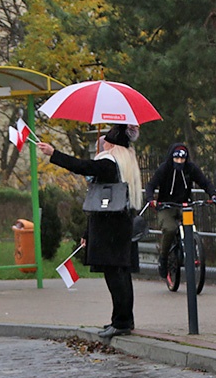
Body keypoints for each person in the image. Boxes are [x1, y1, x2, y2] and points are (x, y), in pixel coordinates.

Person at [38, 124, 143, 338]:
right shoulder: (124, 164)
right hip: (119, 223)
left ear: (113, 144)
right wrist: (87, 233)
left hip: (109, 227)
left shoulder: (108, 163)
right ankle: (123, 319)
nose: (103, 142)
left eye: (107, 140)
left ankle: (121, 321)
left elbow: (82, 166)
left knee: (115, 274)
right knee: (122, 274)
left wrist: (53, 153)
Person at [144, 143, 216, 278]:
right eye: (176, 159)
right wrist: (151, 199)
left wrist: (213, 195)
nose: (179, 162)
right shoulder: (164, 169)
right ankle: (163, 258)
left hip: (184, 205)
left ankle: (193, 250)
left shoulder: (190, 169)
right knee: (170, 229)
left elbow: (205, 182)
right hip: (166, 206)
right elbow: (151, 185)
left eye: (182, 159)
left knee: (190, 226)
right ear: (171, 157)